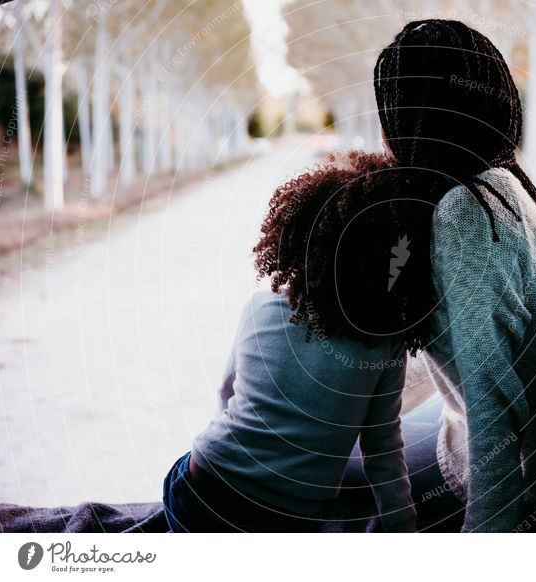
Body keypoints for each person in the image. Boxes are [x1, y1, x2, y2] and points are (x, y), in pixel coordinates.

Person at [371, 19, 536, 532]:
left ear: (408, 117)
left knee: (354, 458)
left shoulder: (465, 214)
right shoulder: (501, 184)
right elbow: (475, 357)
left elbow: (494, 406)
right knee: (384, 422)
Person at [162, 152, 426, 532]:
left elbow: (225, 392)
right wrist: (402, 526)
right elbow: (382, 448)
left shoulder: (262, 306)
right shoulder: (383, 343)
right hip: (287, 520)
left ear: (302, 241)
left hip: (202, 488)